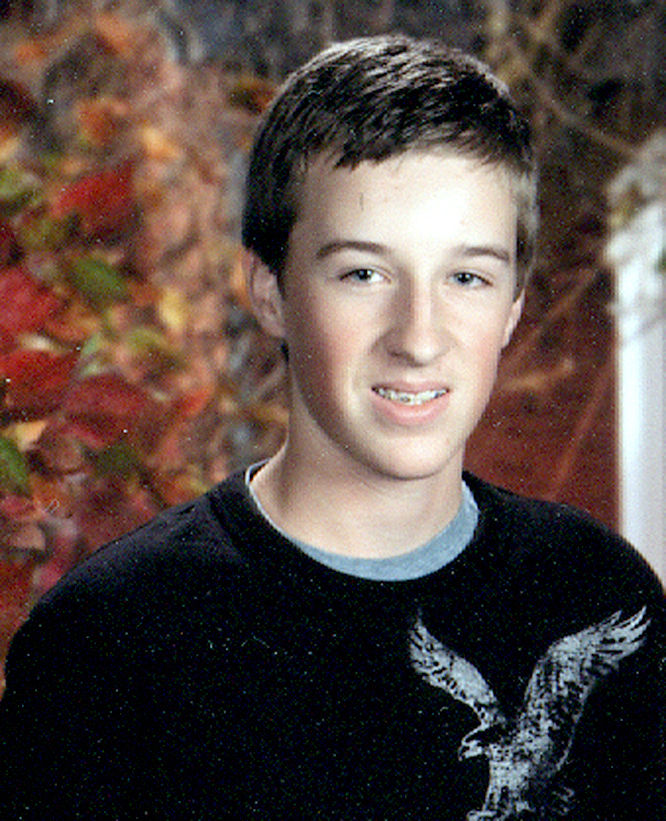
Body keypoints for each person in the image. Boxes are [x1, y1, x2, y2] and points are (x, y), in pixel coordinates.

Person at [0, 35, 663, 820]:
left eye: (467, 276)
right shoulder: (107, 640)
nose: (419, 337)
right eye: (363, 273)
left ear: (513, 306)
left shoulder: (594, 590)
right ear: (270, 291)